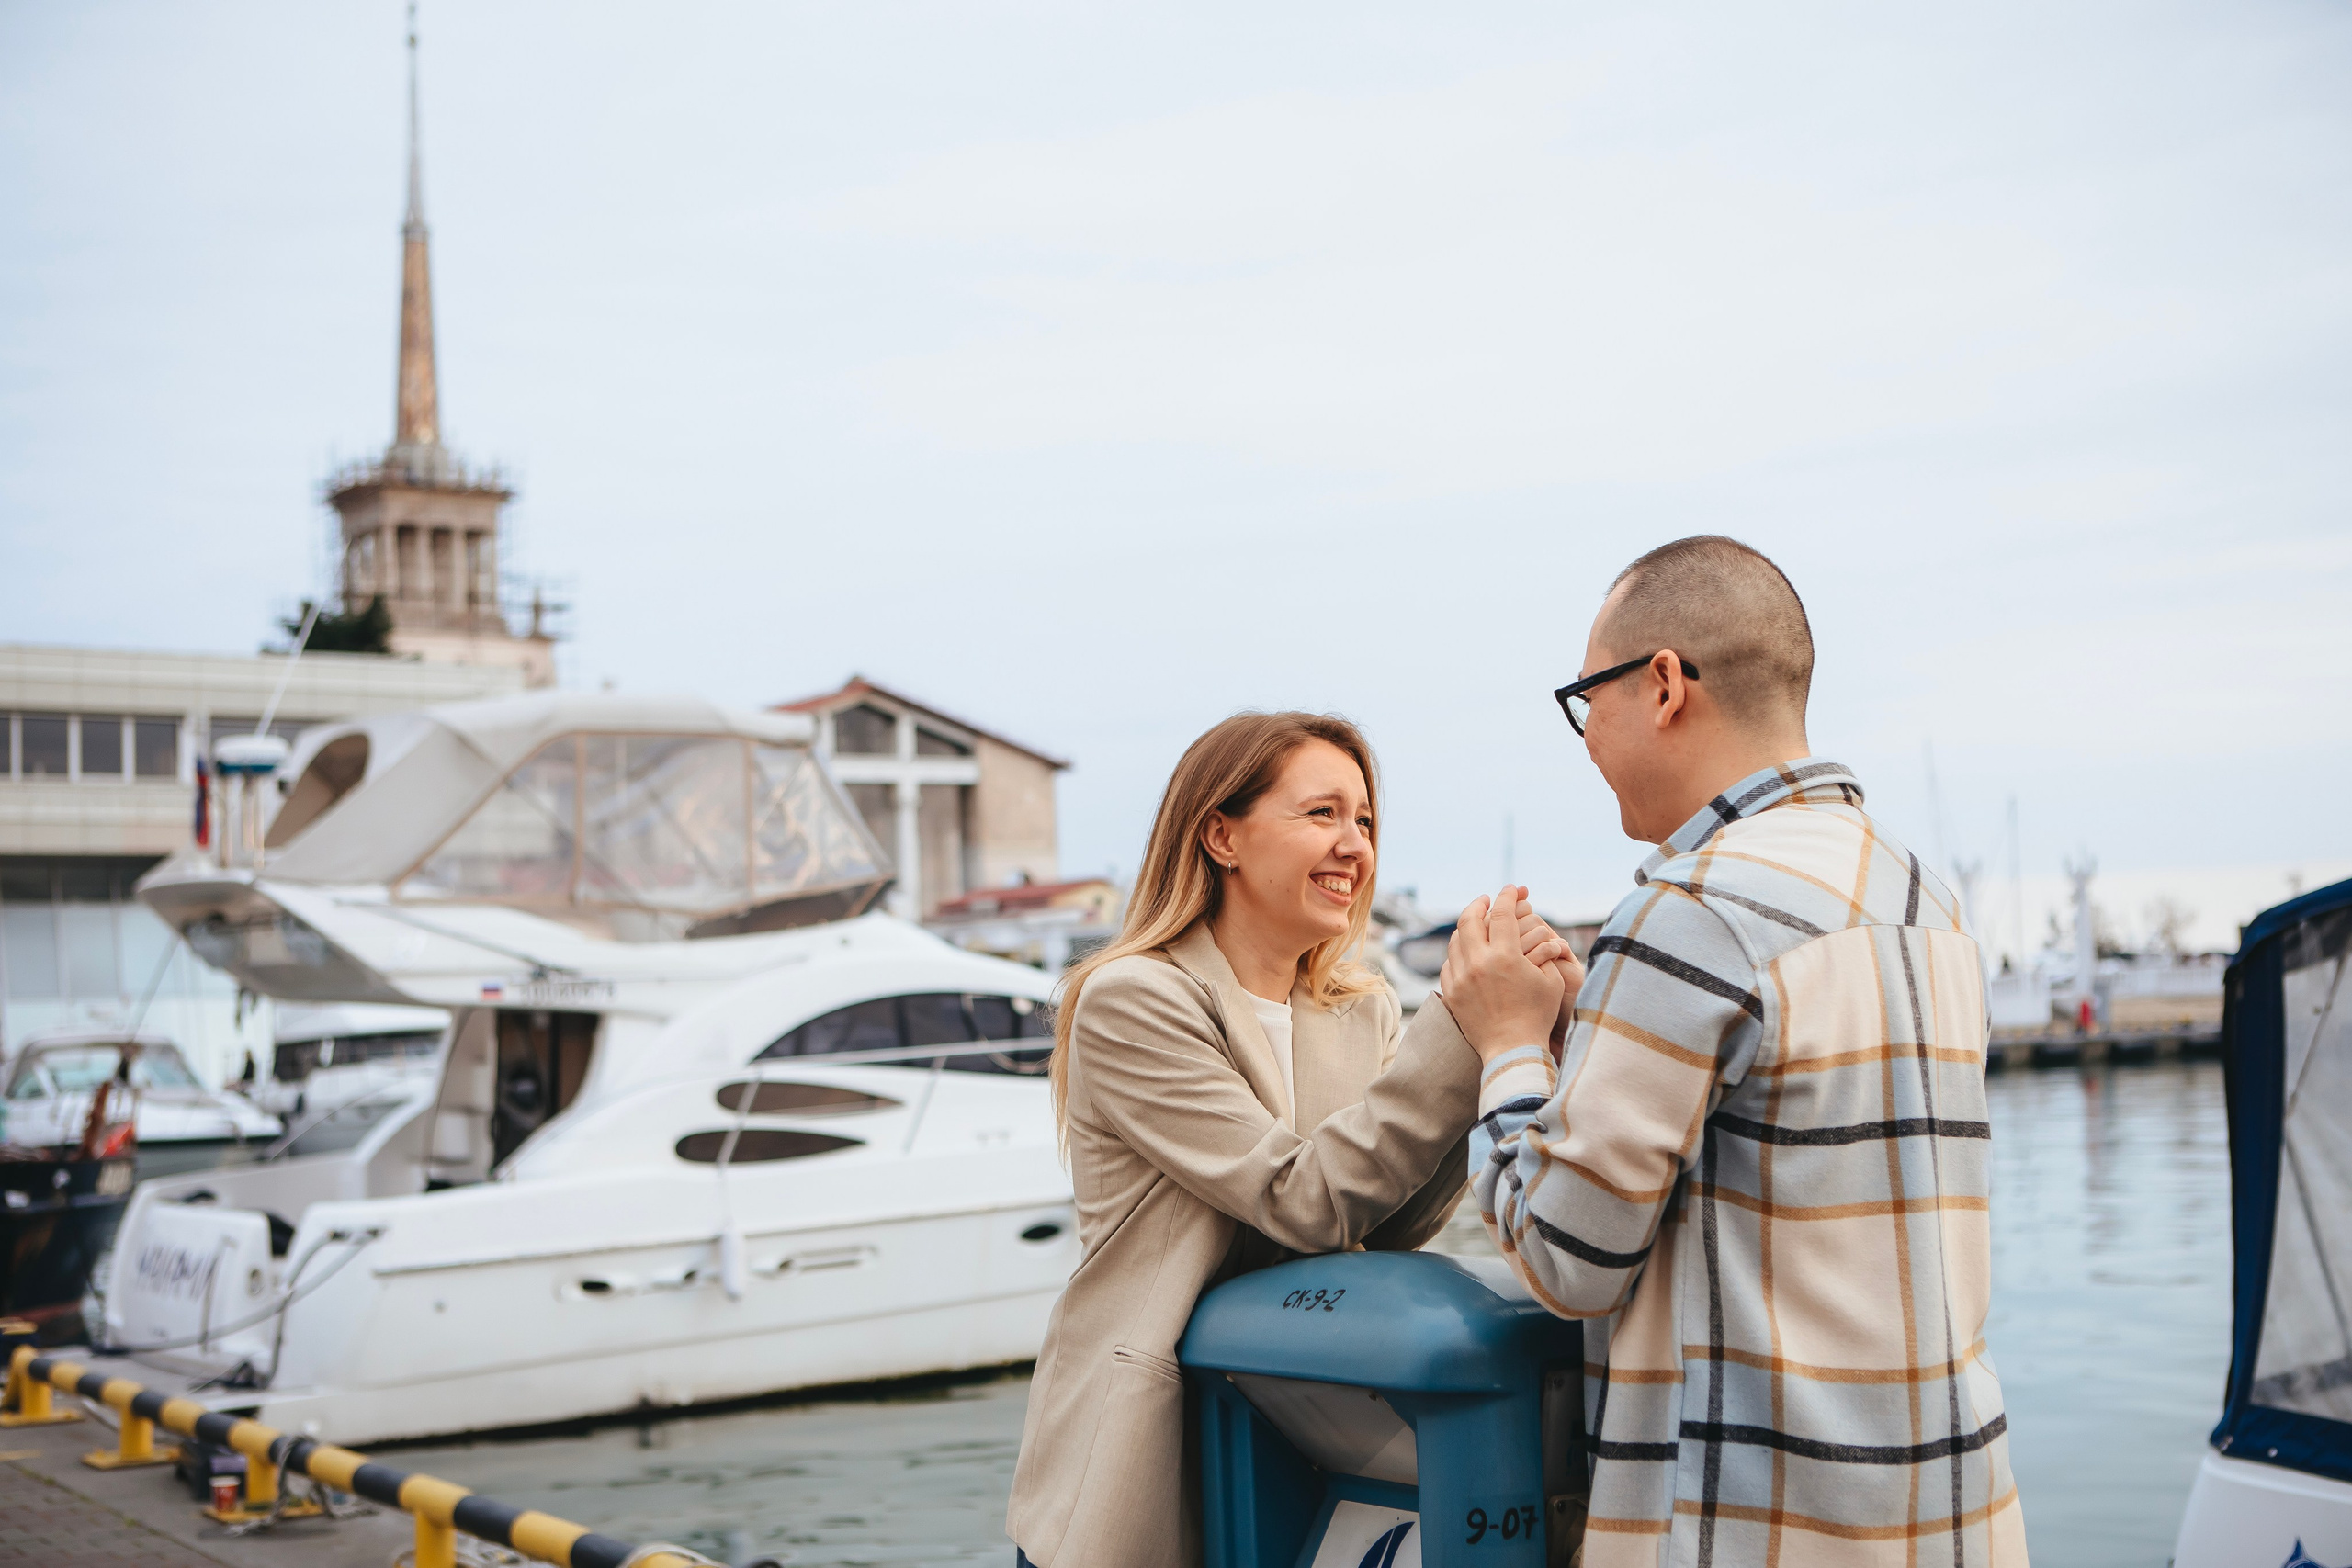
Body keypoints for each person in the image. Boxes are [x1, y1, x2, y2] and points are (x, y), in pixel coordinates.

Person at [1442, 536, 2026, 1565]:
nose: (1586, 738)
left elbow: (1565, 1256)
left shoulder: (1692, 908)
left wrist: (1508, 1045)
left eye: (1589, 700)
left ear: (1663, 684)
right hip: (1952, 1517)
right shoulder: (1921, 900)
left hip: (1754, 1532)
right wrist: (1595, 1034)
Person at [1009, 712, 1527, 1568]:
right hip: (1143, 1466)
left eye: (1364, 821)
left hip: (1306, 1440)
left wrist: (1494, 1052)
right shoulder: (1134, 999)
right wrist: (1460, 1028)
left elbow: (1377, 1225)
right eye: (1322, 813)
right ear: (1222, 834)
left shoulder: (1361, 1012)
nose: (1354, 845)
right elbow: (1302, 1199)